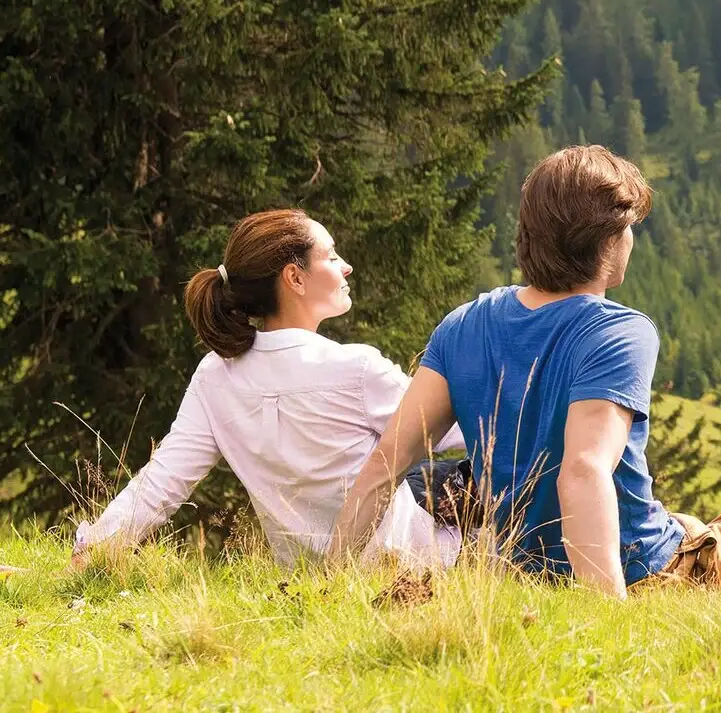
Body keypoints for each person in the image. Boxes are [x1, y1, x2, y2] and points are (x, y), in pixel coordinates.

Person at [329, 145, 721, 614]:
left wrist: (328, 586)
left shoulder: (464, 324)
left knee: (689, 521)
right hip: (647, 581)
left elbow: (384, 465)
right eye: (629, 230)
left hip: (530, 583)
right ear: (609, 241)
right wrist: (611, 624)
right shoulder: (617, 332)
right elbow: (583, 471)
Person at [71, 210, 462, 569]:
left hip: (300, 576)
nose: (346, 267)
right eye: (330, 256)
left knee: (422, 475)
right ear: (295, 278)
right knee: (462, 473)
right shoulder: (357, 368)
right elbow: (466, 431)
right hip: (411, 566)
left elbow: (163, 482)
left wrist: (92, 553)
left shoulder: (216, 375)